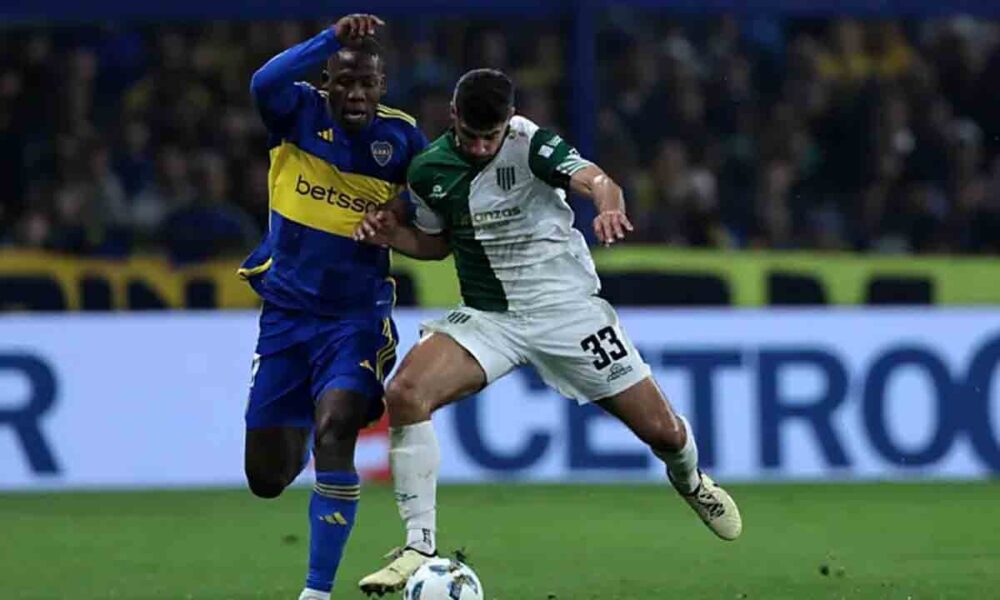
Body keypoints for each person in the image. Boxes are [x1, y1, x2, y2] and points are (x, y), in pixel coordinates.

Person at [354, 68, 743, 596]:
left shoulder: (530, 143)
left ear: (509, 122)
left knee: (664, 434)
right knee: (404, 393)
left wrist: (608, 207)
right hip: (490, 317)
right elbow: (437, 243)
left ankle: (692, 481)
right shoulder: (429, 169)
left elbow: (598, 181)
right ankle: (418, 546)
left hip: (566, 313)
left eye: (491, 137)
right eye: (471, 136)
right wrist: (393, 236)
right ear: (453, 118)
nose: (481, 147)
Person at [239, 14, 428, 600]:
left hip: (356, 318)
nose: (356, 94)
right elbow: (262, 82)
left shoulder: (402, 140)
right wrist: (329, 39)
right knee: (267, 477)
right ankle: (312, 444)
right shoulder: (296, 112)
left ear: (382, 85)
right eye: (344, 81)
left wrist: (393, 218)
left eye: (367, 83)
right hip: (286, 316)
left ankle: (316, 591)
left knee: (336, 429)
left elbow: (432, 206)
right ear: (326, 82)